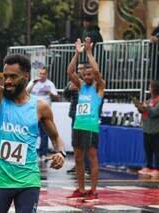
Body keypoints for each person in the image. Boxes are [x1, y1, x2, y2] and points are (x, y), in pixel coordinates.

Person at [0, 42, 65, 212]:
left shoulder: (41, 107)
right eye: (5, 76)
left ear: (26, 77)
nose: (8, 81)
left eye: (13, 77)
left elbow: (56, 137)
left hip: (28, 181)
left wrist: (60, 152)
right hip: (0, 181)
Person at [66, 37, 105, 202]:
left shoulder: (99, 86)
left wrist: (89, 53)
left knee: (92, 157)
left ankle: (93, 190)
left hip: (91, 127)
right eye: (85, 74)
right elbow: (69, 72)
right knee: (78, 158)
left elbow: (96, 72)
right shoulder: (81, 86)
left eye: (90, 74)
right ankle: (81, 189)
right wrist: (76, 53)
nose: (88, 76)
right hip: (78, 125)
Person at [27, 67, 60, 160]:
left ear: (46, 74)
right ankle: (30, 153)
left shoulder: (50, 84)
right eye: (40, 73)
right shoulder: (33, 82)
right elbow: (26, 92)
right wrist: (33, 83)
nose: (41, 76)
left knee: (45, 134)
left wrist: (50, 92)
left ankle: (43, 154)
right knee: (30, 132)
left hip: (45, 113)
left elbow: (57, 97)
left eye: (43, 74)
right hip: (32, 111)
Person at [133, 81, 159, 176]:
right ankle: (149, 166)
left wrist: (145, 107)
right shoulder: (149, 100)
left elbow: (155, 112)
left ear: (155, 89)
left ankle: (157, 168)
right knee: (148, 150)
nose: (149, 88)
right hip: (147, 129)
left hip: (156, 130)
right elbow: (144, 110)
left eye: (150, 87)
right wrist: (139, 107)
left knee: (157, 151)